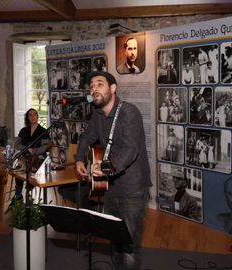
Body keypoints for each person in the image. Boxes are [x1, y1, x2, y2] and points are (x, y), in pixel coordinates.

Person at [75, 71, 151, 270]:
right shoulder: (98, 115)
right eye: (91, 85)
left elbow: (130, 151)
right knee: (114, 240)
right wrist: (78, 159)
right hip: (112, 186)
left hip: (133, 189)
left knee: (129, 245)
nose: (94, 89)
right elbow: (87, 137)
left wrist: (106, 168)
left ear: (113, 88)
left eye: (99, 84)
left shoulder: (129, 112)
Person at [14, 108, 50, 200]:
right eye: (30, 115)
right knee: (19, 171)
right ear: (27, 118)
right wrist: (27, 149)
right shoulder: (23, 130)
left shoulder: (43, 131)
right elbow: (17, 145)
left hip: (37, 158)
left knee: (30, 170)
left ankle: (28, 195)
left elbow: (46, 147)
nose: (33, 117)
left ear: (37, 117)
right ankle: (18, 196)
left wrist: (35, 151)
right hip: (24, 157)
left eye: (35, 114)